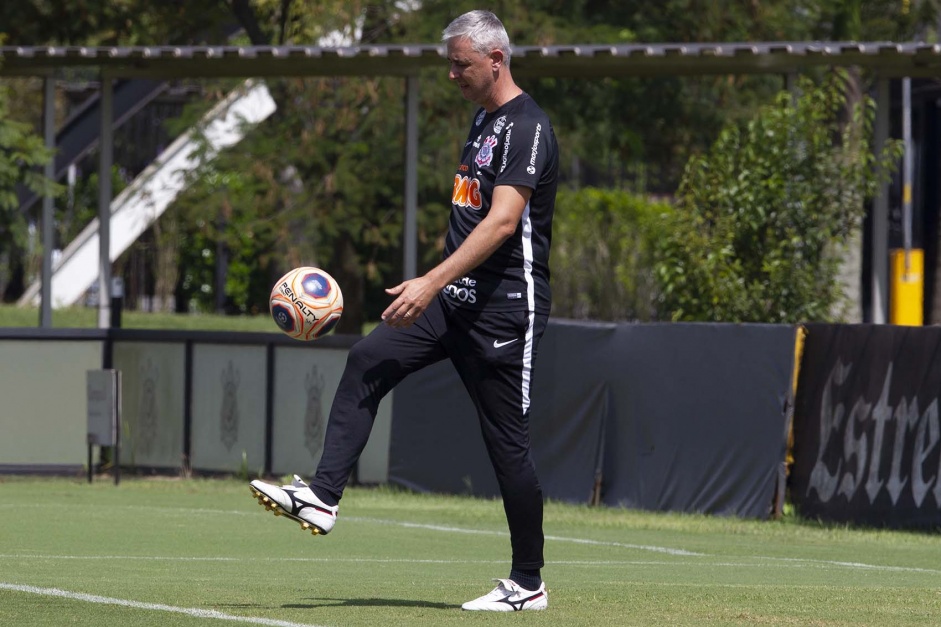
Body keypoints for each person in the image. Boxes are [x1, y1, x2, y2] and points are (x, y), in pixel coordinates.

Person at [249, 9, 559, 612]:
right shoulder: (482, 120)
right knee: (368, 358)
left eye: (460, 64)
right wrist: (438, 288)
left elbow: (502, 222)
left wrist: (428, 282)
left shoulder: (529, 127)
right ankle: (322, 495)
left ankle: (528, 583)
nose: (451, 74)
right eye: (449, 63)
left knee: (507, 448)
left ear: (496, 59)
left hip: (503, 312)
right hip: (452, 302)